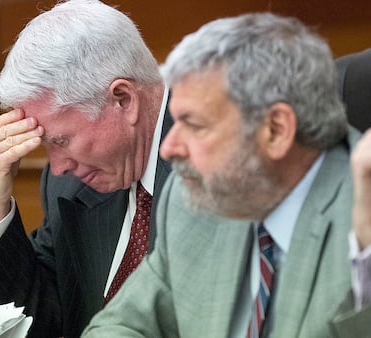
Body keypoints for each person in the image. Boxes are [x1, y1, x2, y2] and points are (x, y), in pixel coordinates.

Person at [83, 12, 371, 337]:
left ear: (276, 130)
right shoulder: (191, 198)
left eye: (194, 124)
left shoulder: (361, 219)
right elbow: (121, 324)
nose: (168, 148)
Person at [0, 1, 172, 337]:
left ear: (123, 99)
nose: (57, 168)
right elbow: (31, 327)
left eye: (60, 141)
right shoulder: (70, 188)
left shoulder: (224, 167)